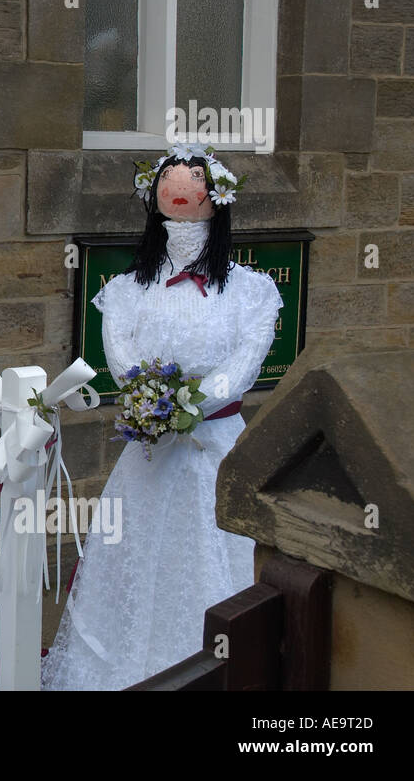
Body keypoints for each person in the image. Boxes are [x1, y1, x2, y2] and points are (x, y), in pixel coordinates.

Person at [42, 145, 281, 690]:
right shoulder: (126, 291)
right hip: (150, 456)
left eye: (194, 183)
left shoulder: (251, 291)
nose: (181, 192)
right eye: (170, 184)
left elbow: (247, 359)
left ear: (216, 200)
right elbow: (120, 357)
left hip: (217, 447)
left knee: (215, 552)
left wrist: (192, 404)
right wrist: (153, 399)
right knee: (136, 558)